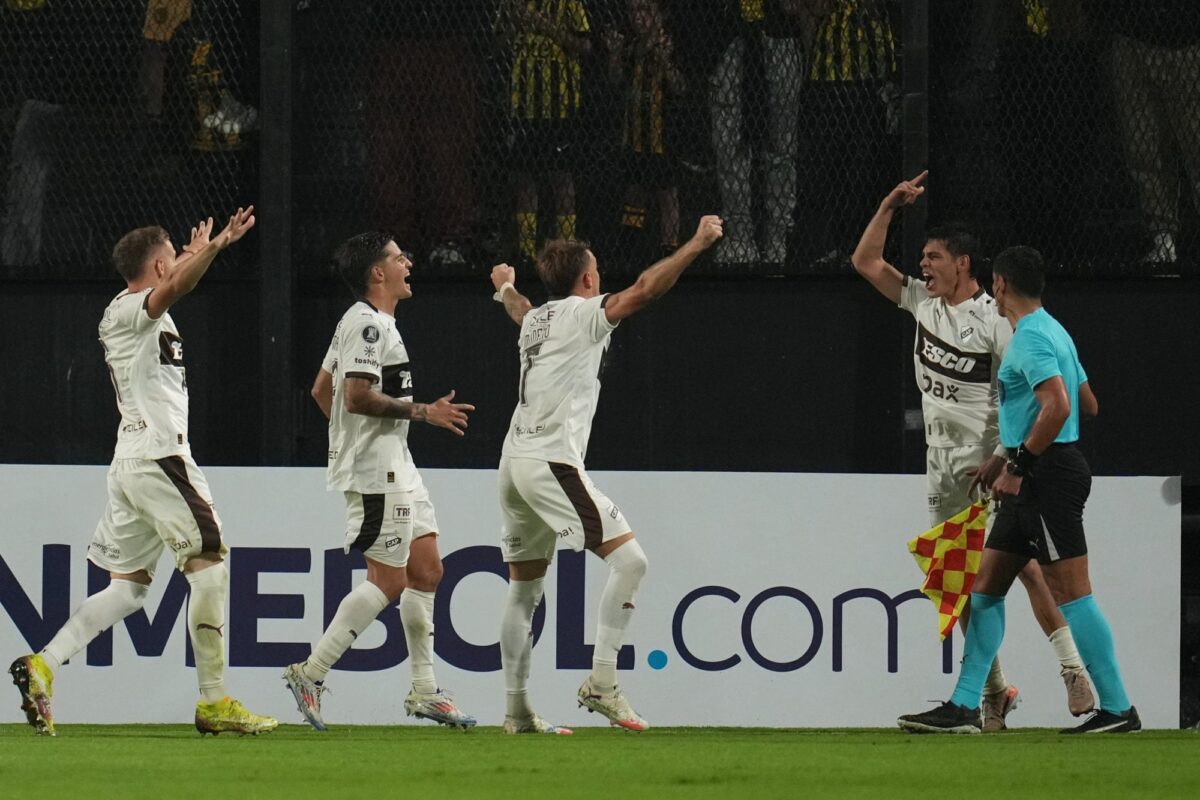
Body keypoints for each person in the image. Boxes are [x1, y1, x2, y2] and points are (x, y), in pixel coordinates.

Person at [8, 208, 278, 736]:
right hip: (159, 457)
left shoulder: (139, 310)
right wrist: (217, 245)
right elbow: (174, 287)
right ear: (157, 266)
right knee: (209, 564)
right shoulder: (131, 308)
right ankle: (214, 701)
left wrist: (194, 252)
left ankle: (44, 664)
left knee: (129, 589)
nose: (178, 260)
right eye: (171, 255)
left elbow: (174, 283)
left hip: (133, 461)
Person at [851, 172, 1094, 732]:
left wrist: (1010, 458)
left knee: (1022, 568)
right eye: (922, 258)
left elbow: (1028, 398)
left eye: (933, 257)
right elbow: (865, 262)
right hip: (939, 461)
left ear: (963, 263)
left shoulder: (996, 322)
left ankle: (1072, 669)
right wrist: (887, 205)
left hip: (989, 460)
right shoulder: (921, 302)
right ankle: (994, 693)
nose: (924, 266)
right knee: (955, 578)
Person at [489, 215, 724, 734]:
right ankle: (601, 682)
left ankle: (516, 712)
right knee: (632, 562)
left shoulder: (537, 319)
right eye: (596, 271)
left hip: (513, 463)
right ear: (589, 279)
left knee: (523, 591)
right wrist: (697, 243)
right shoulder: (584, 313)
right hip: (551, 461)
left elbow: (519, 307)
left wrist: (504, 285)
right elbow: (644, 290)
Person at [898, 244, 1139, 734]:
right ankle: (966, 705)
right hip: (1036, 470)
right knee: (984, 589)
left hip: (1045, 476)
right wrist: (1005, 451)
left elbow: (1059, 407)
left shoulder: (1028, 339)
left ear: (1001, 284)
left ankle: (1118, 708)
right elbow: (1088, 402)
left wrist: (1020, 462)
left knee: (1072, 593)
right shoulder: (1055, 331)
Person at [283, 233, 477, 731]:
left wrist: (351, 439)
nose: (408, 262)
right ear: (377, 273)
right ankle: (310, 673)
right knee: (388, 580)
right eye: (397, 257)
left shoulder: (364, 321)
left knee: (427, 569)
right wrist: (421, 414)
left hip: (395, 462)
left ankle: (425, 692)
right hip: (377, 470)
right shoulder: (367, 325)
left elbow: (321, 389)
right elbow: (355, 396)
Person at [496, 0, 593, 265]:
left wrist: (543, 24)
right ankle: (526, 252)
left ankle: (567, 253)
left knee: (561, 178)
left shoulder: (568, 3)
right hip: (523, 106)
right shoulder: (512, 3)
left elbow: (585, 46)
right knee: (524, 178)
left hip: (559, 106)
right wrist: (515, 25)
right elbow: (494, 46)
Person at [604, 0, 685, 263]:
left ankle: (669, 251)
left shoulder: (669, 43)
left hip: (663, 135)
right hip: (636, 135)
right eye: (633, 11)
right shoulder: (632, 47)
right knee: (635, 190)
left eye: (645, 11)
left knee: (666, 194)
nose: (638, 18)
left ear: (660, 14)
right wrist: (615, 55)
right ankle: (629, 247)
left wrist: (666, 62)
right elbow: (616, 81)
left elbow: (681, 88)